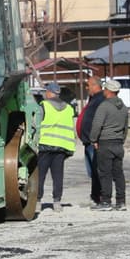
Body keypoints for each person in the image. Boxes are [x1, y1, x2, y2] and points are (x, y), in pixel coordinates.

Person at [36, 82, 76, 212]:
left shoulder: (44, 106)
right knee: (58, 175)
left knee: (40, 175)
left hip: (45, 145)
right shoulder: (69, 108)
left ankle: (37, 201)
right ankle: (57, 203)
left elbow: (36, 125)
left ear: (49, 92)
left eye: (45, 91)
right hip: (61, 147)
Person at [89, 78, 128, 211]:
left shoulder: (104, 106)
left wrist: (93, 140)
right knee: (118, 174)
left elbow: (97, 125)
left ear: (110, 91)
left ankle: (106, 201)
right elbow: (125, 127)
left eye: (105, 89)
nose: (104, 91)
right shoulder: (123, 107)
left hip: (105, 143)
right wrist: (121, 140)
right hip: (118, 143)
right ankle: (121, 202)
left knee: (105, 173)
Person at [77, 75, 106, 205]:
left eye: (88, 85)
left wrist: (96, 139)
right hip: (88, 141)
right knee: (92, 171)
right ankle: (95, 195)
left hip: (94, 141)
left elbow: (100, 121)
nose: (87, 88)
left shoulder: (101, 99)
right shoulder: (93, 99)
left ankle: (99, 196)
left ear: (95, 85)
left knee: (97, 170)